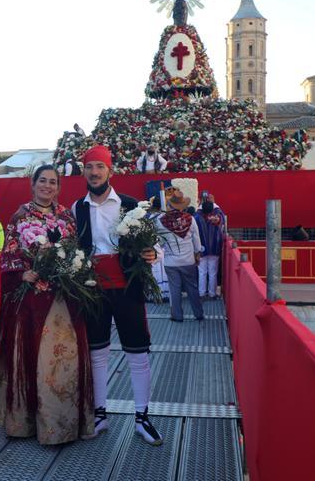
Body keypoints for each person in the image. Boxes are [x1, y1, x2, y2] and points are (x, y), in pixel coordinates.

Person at [0, 165, 94, 445]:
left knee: (62, 360)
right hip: (30, 299)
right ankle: (26, 423)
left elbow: (74, 251)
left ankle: (62, 424)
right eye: (42, 181)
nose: (47, 186)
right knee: (34, 357)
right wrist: (22, 273)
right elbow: (9, 254)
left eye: (52, 182)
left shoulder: (66, 215)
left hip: (62, 296)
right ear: (33, 185)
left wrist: (70, 268)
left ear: (58, 187)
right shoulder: (20, 216)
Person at [72, 145, 163, 446]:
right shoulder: (77, 208)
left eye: (100, 167)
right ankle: (100, 414)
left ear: (110, 171)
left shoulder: (130, 204)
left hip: (127, 287)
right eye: (89, 167)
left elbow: (154, 245)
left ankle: (142, 417)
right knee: (97, 353)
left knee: (137, 351)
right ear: (83, 171)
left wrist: (153, 253)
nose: (95, 172)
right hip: (92, 288)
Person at [157, 187, 204, 321]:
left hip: (170, 262)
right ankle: (198, 314)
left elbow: (159, 242)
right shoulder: (190, 219)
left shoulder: (161, 221)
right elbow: (196, 239)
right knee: (192, 288)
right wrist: (197, 253)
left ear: (170, 205)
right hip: (188, 260)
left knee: (175, 290)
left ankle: (177, 316)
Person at [194, 193, 226, 299]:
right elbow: (222, 220)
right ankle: (212, 294)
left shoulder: (197, 217)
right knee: (213, 272)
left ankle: (201, 293)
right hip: (215, 247)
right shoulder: (217, 215)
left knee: (202, 272)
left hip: (201, 248)